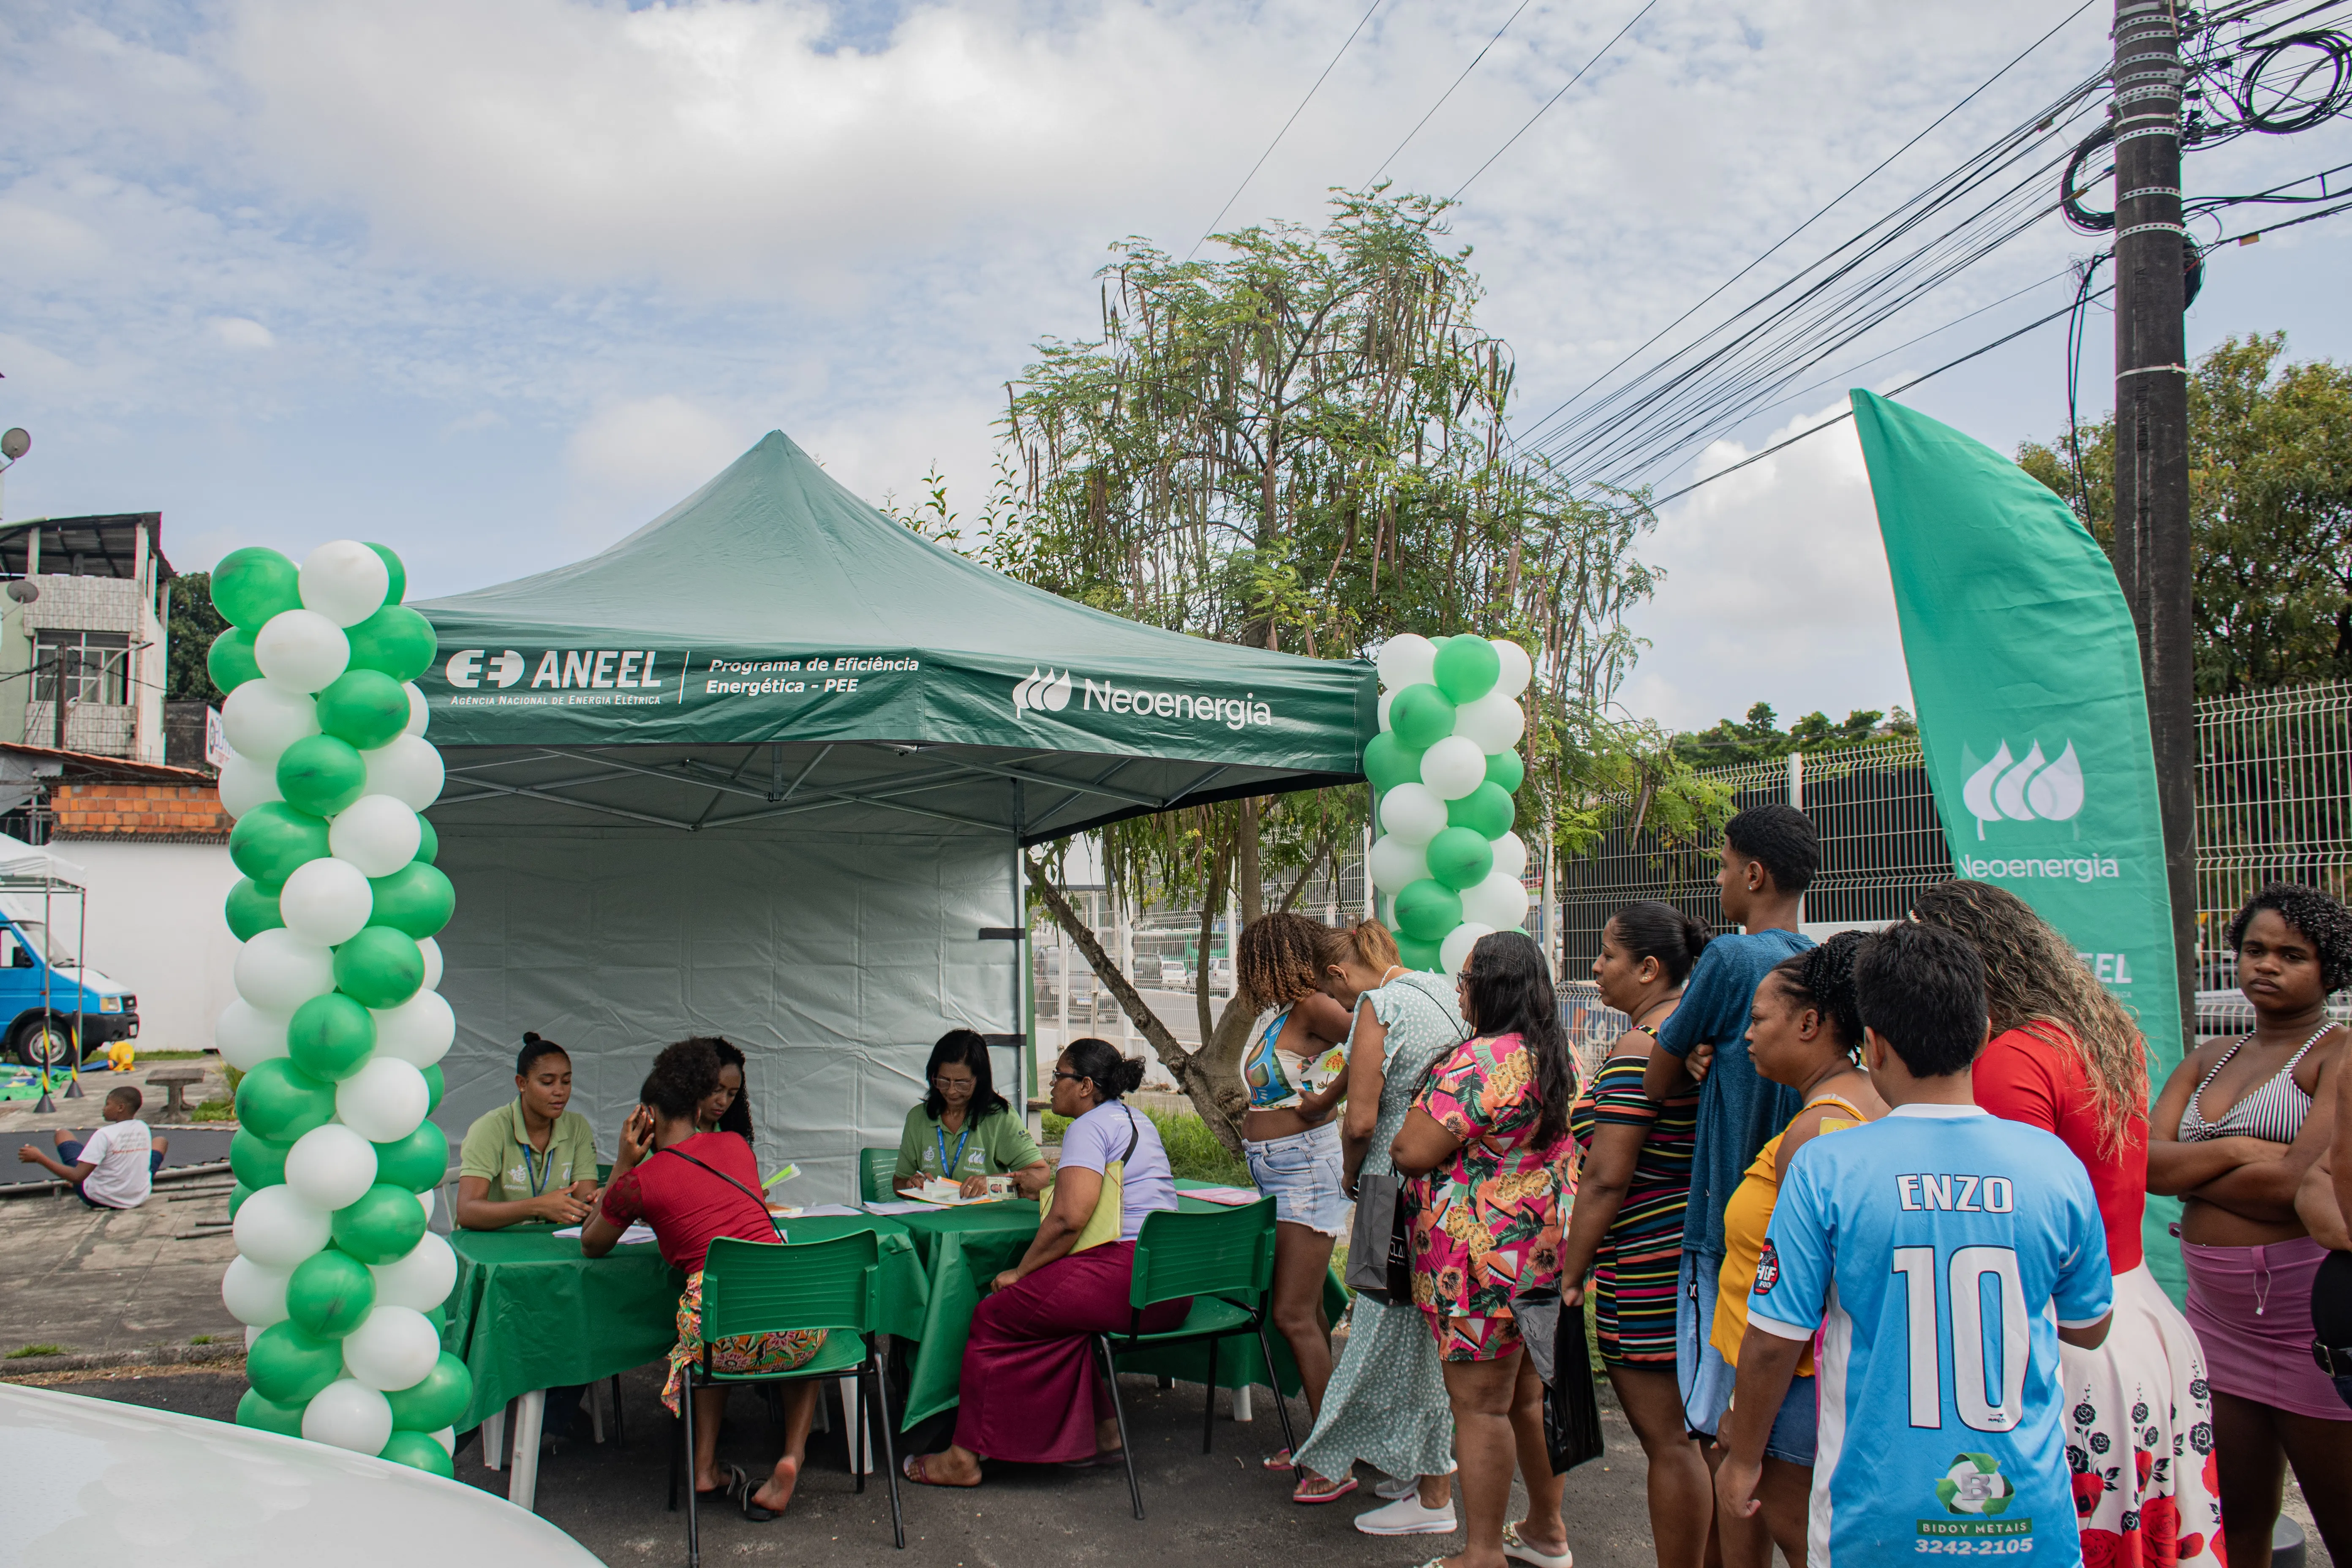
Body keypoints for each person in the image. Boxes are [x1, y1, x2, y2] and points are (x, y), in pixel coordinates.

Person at [1715, 922, 2116, 1566]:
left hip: (1874, 1517)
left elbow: (1772, 1340)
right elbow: (2089, 1327)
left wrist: (1740, 1460)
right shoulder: (2053, 1165)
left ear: (1872, 1044)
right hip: (2025, 1515)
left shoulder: (1830, 1166)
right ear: (1985, 1034)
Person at [1915, 879, 2223, 1566]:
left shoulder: (2009, 1061)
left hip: (2062, 1338)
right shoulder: (2091, 1033)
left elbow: (2009, 1233)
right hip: (2133, 1318)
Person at [2149, 882, 2352, 1566]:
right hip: (2215, 1319)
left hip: (2306, 1324)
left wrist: (2201, 1165)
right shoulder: (2209, 1059)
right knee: (2232, 1517)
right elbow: (2147, 1166)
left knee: (2341, 1520)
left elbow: (2298, 1186)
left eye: (2291, 955)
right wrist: (2243, 1150)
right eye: (2253, 949)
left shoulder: (2336, 1055)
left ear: (2330, 969)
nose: (2265, 965)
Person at [903, 1037, 1185, 1487]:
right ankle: (1104, 1431)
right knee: (1059, 1320)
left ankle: (963, 1456)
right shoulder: (1137, 1119)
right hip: (1170, 1284)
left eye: (1060, 1077)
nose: (1051, 1087)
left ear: (1087, 1086)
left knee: (992, 1316)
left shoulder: (1088, 1128)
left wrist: (1021, 1271)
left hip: (1125, 1276)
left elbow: (1069, 1218)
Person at [1393, 931, 1579, 1568]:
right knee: (1528, 1399)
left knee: (1478, 1407)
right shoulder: (1559, 1053)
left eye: (1466, 978)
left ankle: (1480, 1555)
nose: (1459, 988)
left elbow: (1412, 1150)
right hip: (1546, 1256)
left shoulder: (1479, 1062)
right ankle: (1547, 1532)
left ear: (1492, 987)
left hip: (1479, 1265)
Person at [583, 1038, 824, 1523]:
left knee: (709, 1324)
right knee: (791, 1319)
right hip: (799, 1327)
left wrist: (626, 1161)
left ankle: (704, 1467)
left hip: (721, 1338)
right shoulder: (736, 1146)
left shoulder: (639, 1183)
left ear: (645, 1116)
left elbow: (593, 1242)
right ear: (698, 1105)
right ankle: (792, 1455)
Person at [1642, 803, 1818, 1446]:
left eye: (1720, 868)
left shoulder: (1730, 959)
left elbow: (1655, 1081)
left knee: (1720, 1430)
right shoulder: (1816, 966)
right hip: (1798, 1227)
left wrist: (1684, 1054)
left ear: (1753, 874)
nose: (1715, 882)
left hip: (1723, 1232)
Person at [1709, 932, 1884, 1568]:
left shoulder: (1820, 1131)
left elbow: (1794, 1306)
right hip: (1797, 1387)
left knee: (1809, 1545)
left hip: (1794, 1390)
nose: (1747, 1035)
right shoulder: (1855, 1103)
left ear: (1810, 1023)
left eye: (1758, 1020)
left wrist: (1748, 1426)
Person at [1290, 918, 1461, 1533]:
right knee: (1420, 1329)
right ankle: (1414, 1464)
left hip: (1388, 1183)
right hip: (1442, 1184)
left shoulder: (1378, 1006)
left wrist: (1349, 1176)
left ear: (1338, 975)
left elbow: (1360, 1120)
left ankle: (1347, 1457)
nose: (1338, 1006)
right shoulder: (1440, 989)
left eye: (1331, 994)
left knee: (1375, 1324)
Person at [1557, 901, 1709, 1568]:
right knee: (1700, 1439)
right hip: (1691, 1254)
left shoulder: (1642, 1048)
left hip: (1646, 1267)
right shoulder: (1693, 1035)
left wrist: (1571, 1271)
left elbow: (1605, 1179)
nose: (1595, 969)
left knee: (1668, 1442)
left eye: (1609, 956)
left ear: (1649, 969)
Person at [1231, 910, 1358, 1482]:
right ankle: (1323, 1444)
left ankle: (1332, 1458)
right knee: (1297, 1313)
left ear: (1273, 958)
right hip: (1277, 1171)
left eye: (1253, 959)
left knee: (1295, 1315)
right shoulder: (1276, 1015)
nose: (1247, 971)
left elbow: (1377, 1041)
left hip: (1305, 1169)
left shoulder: (1311, 1005)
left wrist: (1325, 1099)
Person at [457, 1032, 601, 1230]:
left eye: (566, 1082)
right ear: (522, 1083)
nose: (560, 1091)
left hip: (551, 1244)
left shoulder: (577, 1126)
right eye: (547, 1082)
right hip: (493, 1246)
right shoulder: (490, 1127)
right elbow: (467, 1212)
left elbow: (584, 1207)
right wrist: (538, 1207)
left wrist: (597, 1202)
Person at [892, 1029, 1051, 1198]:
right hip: (932, 1218)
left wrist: (991, 1183)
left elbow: (1042, 1177)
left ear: (979, 1080)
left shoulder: (1000, 1118)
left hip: (985, 1220)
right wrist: (912, 1184)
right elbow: (899, 1182)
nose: (952, 1091)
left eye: (962, 1083)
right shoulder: (918, 1118)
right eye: (943, 1081)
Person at [17, 1086, 165, 1208]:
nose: (104, 1109)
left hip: (100, 1199)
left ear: (121, 1108)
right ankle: (133, 1182)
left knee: (62, 1134)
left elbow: (77, 1177)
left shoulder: (104, 1134)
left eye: (108, 1104)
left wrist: (39, 1158)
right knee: (160, 1142)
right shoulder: (142, 1127)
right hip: (139, 1195)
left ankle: (100, 1182)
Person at [697, 1037, 754, 1143]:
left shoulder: (734, 1139)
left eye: (732, 1094)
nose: (723, 1102)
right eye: (717, 1090)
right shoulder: (669, 1134)